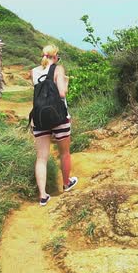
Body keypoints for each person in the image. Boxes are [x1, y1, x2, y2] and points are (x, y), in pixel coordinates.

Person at [31, 44, 78, 206]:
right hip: (59, 117)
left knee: (41, 158)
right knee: (64, 153)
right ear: (56, 56)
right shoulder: (58, 69)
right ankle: (66, 183)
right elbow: (61, 93)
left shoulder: (34, 71)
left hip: (39, 120)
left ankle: (43, 195)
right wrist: (65, 83)